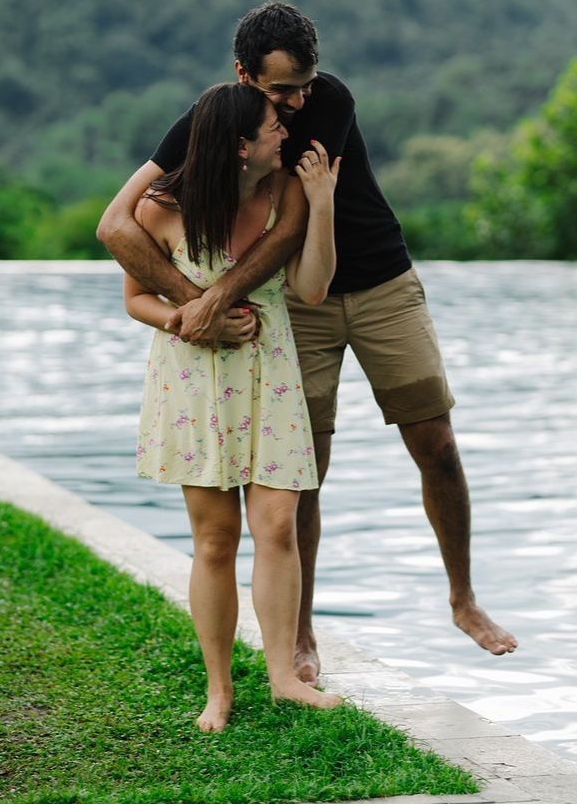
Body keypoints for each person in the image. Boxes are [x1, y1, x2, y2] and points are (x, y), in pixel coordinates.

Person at [98, 2, 518, 688]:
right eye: (280, 91)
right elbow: (118, 225)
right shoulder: (217, 121)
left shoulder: (328, 102)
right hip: (294, 301)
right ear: (243, 76)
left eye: (304, 83)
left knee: (436, 440)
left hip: (377, 277)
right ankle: (300, 634)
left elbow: (291, 227)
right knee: (301, 471)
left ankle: (463, 599)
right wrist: (189, 305)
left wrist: (211, 300)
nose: (297, 102)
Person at [122, 81, 342, 730]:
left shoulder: (288, 196)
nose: (287, 135)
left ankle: (283, 679)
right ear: (241, 146)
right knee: (215, 540)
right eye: (275, 126)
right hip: (194, 376)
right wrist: (192, 319)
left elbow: (309, 288)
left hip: (269, 371)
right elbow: (136, 299)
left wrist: (324, 206)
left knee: (276, 526)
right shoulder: (163, 209)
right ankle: (219, 690)